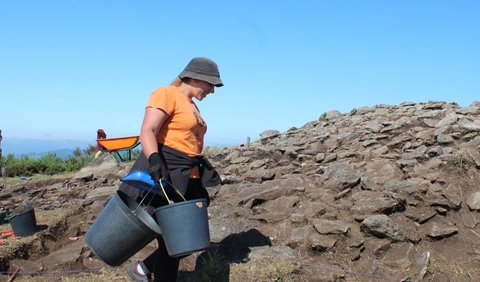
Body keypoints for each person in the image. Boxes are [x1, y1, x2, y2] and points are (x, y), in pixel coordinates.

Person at [118, 57, 223, 282]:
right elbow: (148, 129)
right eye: (210, 84)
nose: (212, 91)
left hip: (190, 177)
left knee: (188, 238)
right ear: (196, 77)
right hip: (169, 174)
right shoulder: (166, 93)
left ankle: (143, 268)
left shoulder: (192, 105)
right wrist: (155, 159)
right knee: (173, 239)